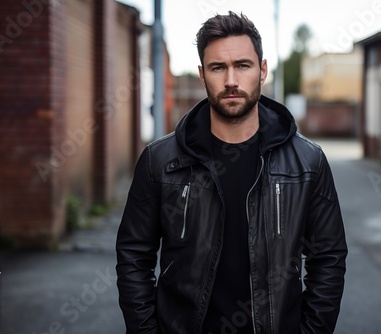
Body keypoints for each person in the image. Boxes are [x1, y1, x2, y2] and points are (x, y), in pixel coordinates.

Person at [116, 11, 347, 334]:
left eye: (242, 65)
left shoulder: (307, 162)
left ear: (262, 70)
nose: (231, 81)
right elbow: (133, 257)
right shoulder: (160, 161)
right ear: (201, 74)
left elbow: (328, 259)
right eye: (217, 67)